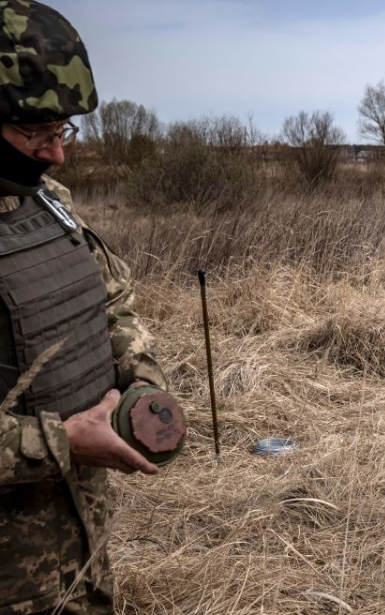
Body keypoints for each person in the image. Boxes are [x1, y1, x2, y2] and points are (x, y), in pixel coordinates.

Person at [0, 2, 169, 613]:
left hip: (80, 538)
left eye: (62, 131)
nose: (57, 154)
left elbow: (111, 301)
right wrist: (63, 442)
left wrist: (142, 381)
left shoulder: (48, 201)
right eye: (37, 133)